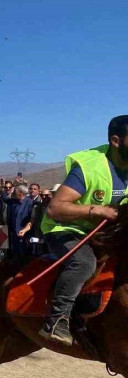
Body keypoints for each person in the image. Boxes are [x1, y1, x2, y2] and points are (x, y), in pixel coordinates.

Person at [38, 115, 128, 346]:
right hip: (66, 228)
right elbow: (55, 208)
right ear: (116, 141)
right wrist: (97, 210)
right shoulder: (89, 167)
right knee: (84, 263)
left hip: (103, 232)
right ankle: (56, 321)